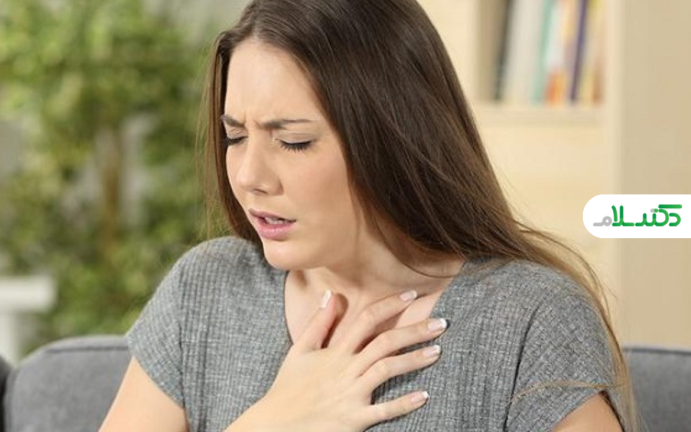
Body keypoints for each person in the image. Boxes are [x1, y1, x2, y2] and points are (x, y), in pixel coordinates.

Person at [99, 0, 635, 431]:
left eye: (293, 141)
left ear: (391, 139)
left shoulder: (528, 320)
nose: (248, 176)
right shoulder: (206, 293)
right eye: (235, 136)